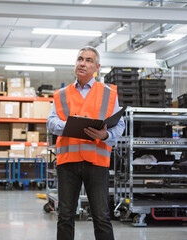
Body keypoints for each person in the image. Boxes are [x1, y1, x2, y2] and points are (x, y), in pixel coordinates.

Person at [47, 46, 125, 240]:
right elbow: (50, 122)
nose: (83, 63)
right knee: (65, 216)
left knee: (101, 216)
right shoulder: (61, 94)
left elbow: (120, 125)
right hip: (68, 162)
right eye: (80, 59)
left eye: (88, 60)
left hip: (97, 161)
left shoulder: (108, 93)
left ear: (97, 67)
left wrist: (104, 136)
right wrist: (71, 126)